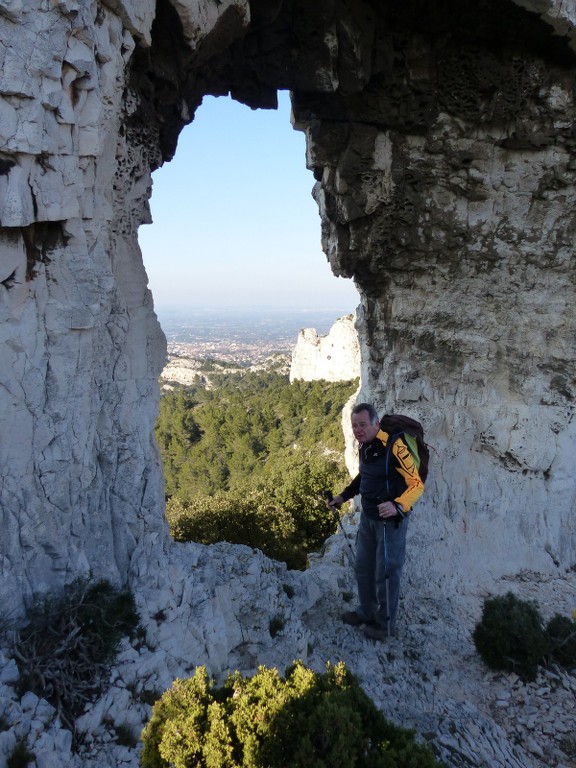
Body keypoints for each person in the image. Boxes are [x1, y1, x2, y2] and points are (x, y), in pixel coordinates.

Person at [328, 403, 424, 640]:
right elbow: (364, 476)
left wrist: (398, 505)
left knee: (386, 572)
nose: (358, 430)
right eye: (354, 426)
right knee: (363, 568)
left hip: (389, 523)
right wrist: (343, 496)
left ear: (375, 423)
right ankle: (367, 612)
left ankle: (386, 625)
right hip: (368, 519)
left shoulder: (395, 446)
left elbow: (416, 483)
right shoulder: (365, 447)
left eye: (362, 424)